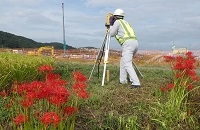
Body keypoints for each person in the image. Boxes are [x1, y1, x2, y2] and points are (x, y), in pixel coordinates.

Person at [109, 8, 141, 88]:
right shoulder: (126, 22)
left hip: (128, 44)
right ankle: (123, 80)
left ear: (115, 16)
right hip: (135, 43)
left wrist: (110, 26)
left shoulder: (117, 22)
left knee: (127, 63)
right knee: (123, 61)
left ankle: (136, 83)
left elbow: (112, 34)